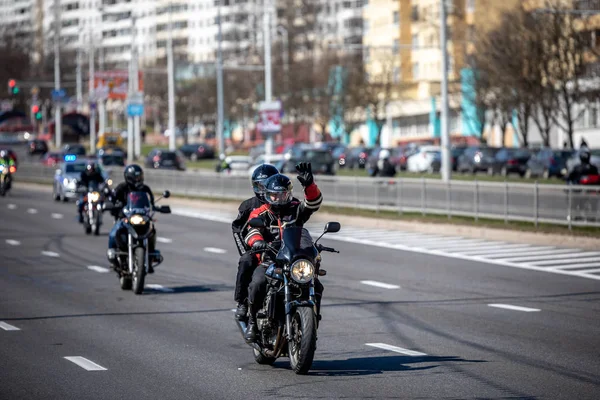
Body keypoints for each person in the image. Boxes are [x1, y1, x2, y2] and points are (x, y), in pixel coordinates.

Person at [243, 163, 324, 342]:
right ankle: (252, 322)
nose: (279, 198)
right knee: (258, 282)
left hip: (293, 258)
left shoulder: (295, 209)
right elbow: (251, 230)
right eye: (275, 195)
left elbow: (313, 204)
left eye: (283, 194)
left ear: (289, 193)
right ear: (267, 195)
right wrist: (258, 242)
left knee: (316, 285)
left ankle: (312, 324)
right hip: (270, 259)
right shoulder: (260, 212)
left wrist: (309, 185)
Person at [232, 164, 279, 320]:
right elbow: (237, 229)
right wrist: (247, 250)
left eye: (267, 185)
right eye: (260, 185)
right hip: (254, 246)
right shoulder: (248, 206)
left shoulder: (285, 203)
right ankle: (242, 302)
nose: (263, 189)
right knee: (246, 261)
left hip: (279, 249)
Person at [107, 164, 161, 273]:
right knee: (114, 233)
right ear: (129, 177)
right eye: (136, 177)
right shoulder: (121, 188)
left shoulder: (145, 189)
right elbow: (112, 200)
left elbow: (151, 202)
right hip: (125, 218)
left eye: (140, 176)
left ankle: (150, 256)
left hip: (142, 217)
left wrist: (156, 207)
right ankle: (114, 255)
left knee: (152, 231)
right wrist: (113, 206)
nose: (138, 179)